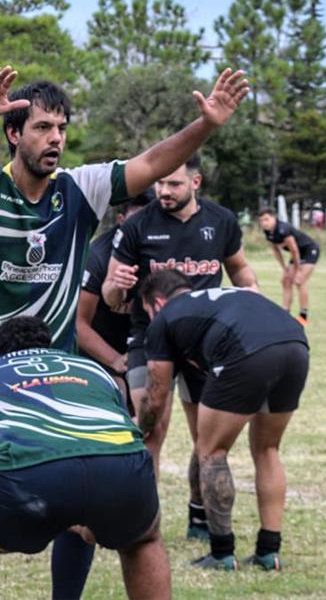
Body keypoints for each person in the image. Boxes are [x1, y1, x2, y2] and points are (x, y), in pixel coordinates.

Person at [0, 64, 248, 596]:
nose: (56, 139)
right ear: (13, 133)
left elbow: (149, 163)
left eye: (62, 128)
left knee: (79, 514)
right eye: (42, 128)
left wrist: (206, 125)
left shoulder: (78, 189)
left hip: (53, 372)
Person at [0, 317, 171, 600]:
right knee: (142, 539)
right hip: (125, 469)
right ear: (48, 346)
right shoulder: (96, 371)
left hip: (30, 476)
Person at [104, 155, 258, 543]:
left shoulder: (220, 221)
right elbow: (109, 295)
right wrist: (118, 283)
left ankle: (199, 514)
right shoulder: (138, 224)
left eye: (173, 184)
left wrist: (252, 298)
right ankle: (142, 522)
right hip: (149, 339)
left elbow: (239, 269)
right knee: (148, 428)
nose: (163, 191)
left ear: (196, 182)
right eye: (160, 183)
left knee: (206, 437)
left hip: (204, 342)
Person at [138, 270, 308, 573]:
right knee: (268, 449)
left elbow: (156, 394)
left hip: (244, 351)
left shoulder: (164, 319)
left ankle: (222, 552)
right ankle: (269, 552)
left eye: (148, 312)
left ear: (158, 303)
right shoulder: (224, 296)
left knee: (211, 451)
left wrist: (141, 426)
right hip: (295, 342)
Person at [76, 188, 155, 407]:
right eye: (136, 222)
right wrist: (115, 360)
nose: (143, 230)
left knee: (147, 411)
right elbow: (78, 324)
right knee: (115, 396)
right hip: (101, 345)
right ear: (121, 221)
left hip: (142, 342)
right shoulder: (98, 256)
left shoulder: (163, 248)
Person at [257, 208, 319, 325]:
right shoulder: (268, 233)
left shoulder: (283, 229)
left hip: (309, 250)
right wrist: (284, 268)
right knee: (286, 280)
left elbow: (294, 250)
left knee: (299, 281)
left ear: (274, 218)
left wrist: (299, 270)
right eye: (261, 221)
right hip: (297, 254)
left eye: (266, 219)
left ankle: (303, 316)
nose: (264, 223)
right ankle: (285, 313)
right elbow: (276, 250)